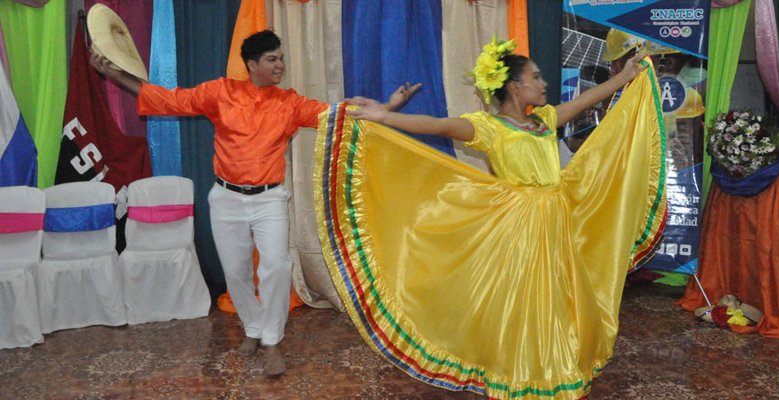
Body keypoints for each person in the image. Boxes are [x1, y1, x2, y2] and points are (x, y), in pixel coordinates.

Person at [315, 37, 666, 399]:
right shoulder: (489, 128)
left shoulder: (544, 119)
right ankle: (519, 369)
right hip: (519, 229)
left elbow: (584, 102)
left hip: (555, 224)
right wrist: (386, 116)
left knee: (556, 297)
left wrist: (625, 77)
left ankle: (552, 363)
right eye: (536, 77)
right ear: (515, 87)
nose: (543, 84)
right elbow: (439, 126)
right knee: (524, 300)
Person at [90, 29, 419, 378]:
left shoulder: (290, 103)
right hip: (226, 199)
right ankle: (253, 330)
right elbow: (166, 99)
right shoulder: (219, 93)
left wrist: (386, 107)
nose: (280, 65)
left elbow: (335, 114)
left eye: (281, 58)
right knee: (236, 271)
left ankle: (273, 339)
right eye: (272, 59)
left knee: (277, 265)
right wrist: (114, 73)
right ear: (251, 64)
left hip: (269, 200)